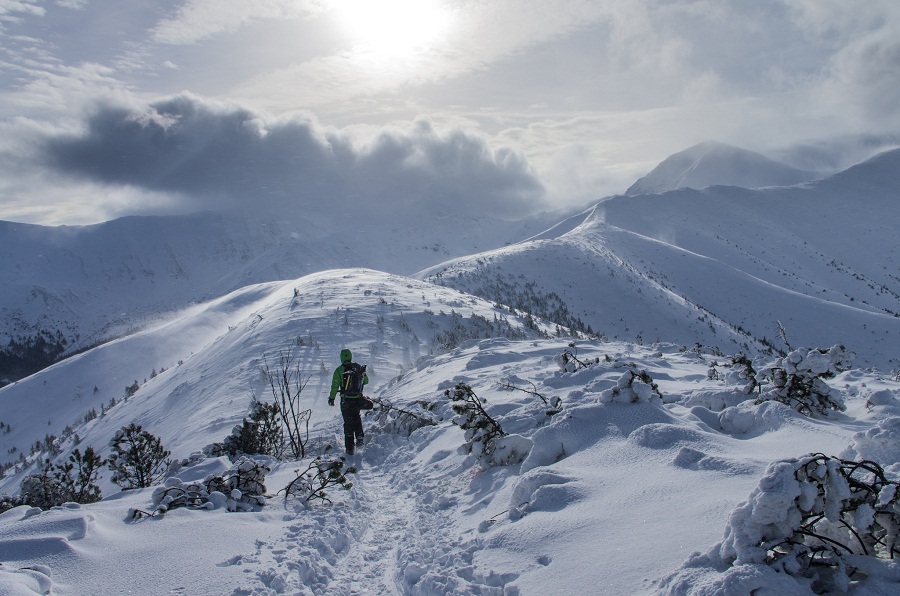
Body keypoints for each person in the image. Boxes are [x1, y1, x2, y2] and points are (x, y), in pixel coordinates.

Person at [328, 348, 369, 455]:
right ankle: (360, 438)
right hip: (357, 399)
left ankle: (350, 448)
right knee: (357, 417)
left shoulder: (339, 370)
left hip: (345, 401)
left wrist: (332, 398)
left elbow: (334, 386)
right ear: (350, 356)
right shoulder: (358, 367)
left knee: (348, 423)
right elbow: (366, 381)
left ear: (341, 358)